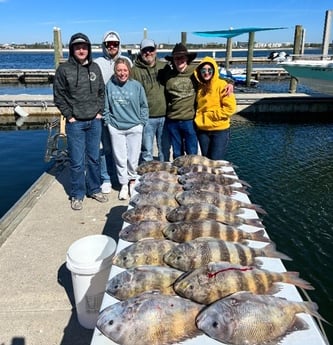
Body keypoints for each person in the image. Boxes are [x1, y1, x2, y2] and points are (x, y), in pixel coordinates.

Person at [53, 32, 108, 210]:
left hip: (94, 121)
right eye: (77, 47)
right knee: (76, 161)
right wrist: (69, 115)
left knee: (94, 158)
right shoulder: (63, 69)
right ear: (72, 49)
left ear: (89, 49)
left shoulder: (95, 68)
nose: (81, 50)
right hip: (75, 123)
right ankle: (77, 194)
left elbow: (101, 91)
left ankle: (94, 188)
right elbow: (58, 96)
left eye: (84, 47)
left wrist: (99, 111)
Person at [103, 58, 149, 200]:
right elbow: (106, 107)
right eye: (119, 70)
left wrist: (142, 122)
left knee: (133, 158)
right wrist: (109, 123)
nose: (122, 73)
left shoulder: (136, 86)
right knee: (120, 158)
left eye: (125, 70)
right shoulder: (109, 86)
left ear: (129, 70)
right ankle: (123, 184)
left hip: (135, 126)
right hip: (116, 127)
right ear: (115, 71)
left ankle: (132, 182)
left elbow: (144, 106)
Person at [94, 31, 132, 194]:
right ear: (104, 46)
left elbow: (134, 85)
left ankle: (124, 178)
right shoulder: (97, 63)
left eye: (115, 44)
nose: (112, 47)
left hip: (123, 114)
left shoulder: (128, 62)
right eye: (109, 44)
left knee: (124, 149)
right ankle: (107, 178)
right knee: (106, 148)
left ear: (119, 45)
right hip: (104, 113)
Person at [132, 38, 170, 162]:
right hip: (146, 118)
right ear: (140, 52)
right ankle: (148, 178)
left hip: (165, 116)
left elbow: (182, 75)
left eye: (151, 50)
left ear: (156, 50)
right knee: (147, 150)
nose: (148, 53)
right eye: (145, 50)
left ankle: (164, 175)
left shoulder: (164, 66)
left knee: (164, 149)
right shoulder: (135, 70)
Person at [193, 56, 237, 160]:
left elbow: (230, 108)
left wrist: (210, 116)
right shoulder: (199, 86)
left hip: (219, 130)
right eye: (203, 70)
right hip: (203, 130)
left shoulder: (222, 85)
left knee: (215, 160)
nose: (206, 73)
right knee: (206, 159)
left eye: (209, 70)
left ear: (214, 70)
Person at [164, 43, 199, 159]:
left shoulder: (195, 71)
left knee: (192, 152)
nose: (179, 61)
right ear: (173, 60)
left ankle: (192, 176)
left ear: (187, 59)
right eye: (176, 58)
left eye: (182, 57)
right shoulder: (168, 74)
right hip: (172, 119)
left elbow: (213, 76)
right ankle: (179, 175)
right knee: (177, 153)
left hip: (189, 120)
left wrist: (229, 83)